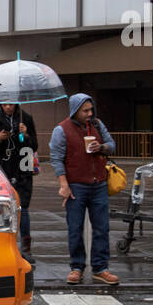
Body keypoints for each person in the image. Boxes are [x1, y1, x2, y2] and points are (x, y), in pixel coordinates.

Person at [49, 93, 120, 285]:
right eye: (85, 110)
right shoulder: (61, 130)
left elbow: (112, 145)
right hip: (76, 185)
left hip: (99, 184)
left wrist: (102, 147)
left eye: (91, 110)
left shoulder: (97, 124)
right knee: (75, 228)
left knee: (102, 228)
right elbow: (56, 158)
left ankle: (100, 268)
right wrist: (64, 184)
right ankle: (76, 267)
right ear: (75, 110)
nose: (89, 113)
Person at [0, 103, 38, 260]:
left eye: (10, 104)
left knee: (23, 208)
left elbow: (34, 146)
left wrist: (26, 134)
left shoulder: (26, 118)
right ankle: (4, 247)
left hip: (23, 170)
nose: (8, 107)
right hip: (3, 170)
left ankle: (26, 248)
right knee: (3, 209)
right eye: (4, 104)